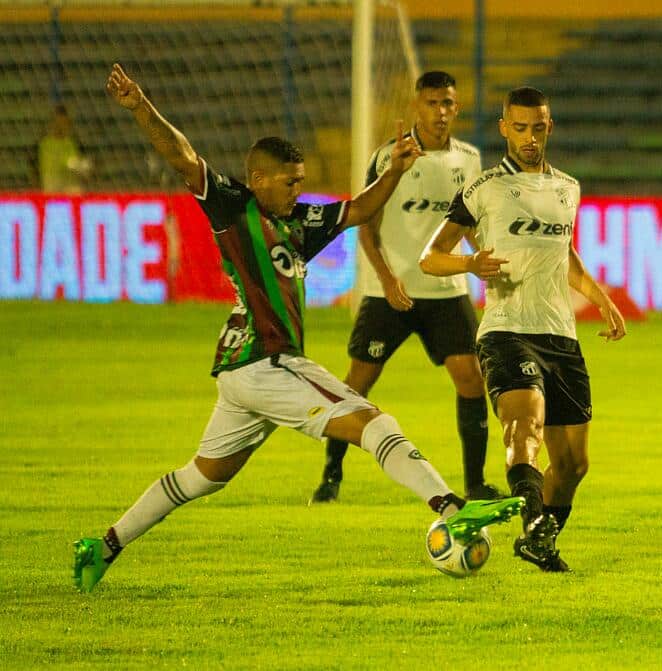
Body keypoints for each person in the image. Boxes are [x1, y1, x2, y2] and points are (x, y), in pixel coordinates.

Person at [72, 64, 524, 593]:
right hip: (268, 361)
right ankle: (452, 509)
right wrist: (139, 107)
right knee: (375, 422)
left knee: (203, 476)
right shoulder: (233, 207)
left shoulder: (300, 223)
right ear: (259, 179)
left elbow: (359, 210)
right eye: (290, 183)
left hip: (239, 372)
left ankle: (103, 546)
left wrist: (395, 172)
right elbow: (182, 155)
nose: (297, 191)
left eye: (302, 183)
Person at [419, 86, 626, 573]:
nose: (529, 137)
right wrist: (470, 262)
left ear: (549, 127)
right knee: (524, 424)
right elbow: (430, 257)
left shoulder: (568, 188)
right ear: (503, 129)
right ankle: (533, 522)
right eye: (519, 128)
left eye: (537, 128)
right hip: (506, 330)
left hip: (561, 335)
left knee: (573, 464)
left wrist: (601, 299)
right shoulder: (485, 188)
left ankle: (539, 540)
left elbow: (565, 254)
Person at [311, 71, 503, 504]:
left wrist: (481, 261)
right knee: (357, 384)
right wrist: (386, 278)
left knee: (471, 379)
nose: (440, 111)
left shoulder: (469, 160)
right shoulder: (390, 156)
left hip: (446, 291)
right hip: (389, 294)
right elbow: (366, 225)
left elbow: (468, 224)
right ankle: (331, 475)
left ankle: (475, 483)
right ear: (417, 106)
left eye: (447, 103)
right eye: (432, 103)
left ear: (456, 107)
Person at [38, 104, 92, 194]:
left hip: (70, 184)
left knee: (76, 189)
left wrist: (82, 166)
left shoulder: (72, 142)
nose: (61, 127)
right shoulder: (45, 143)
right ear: (52, 124)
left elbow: (79, 163)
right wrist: (72, 164)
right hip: (53, 184)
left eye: (65, 123)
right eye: (58, 123)